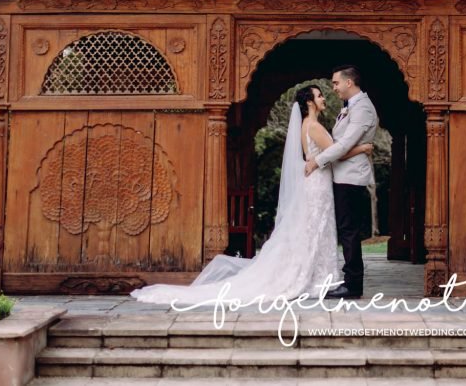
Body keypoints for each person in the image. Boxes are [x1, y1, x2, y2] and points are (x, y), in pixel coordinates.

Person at [131, 85, 372, 306]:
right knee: (316, 229)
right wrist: (362, 148)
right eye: (319, 95)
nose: (323, 98)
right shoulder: (315, 126)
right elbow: (335, 153)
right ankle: (316, 275)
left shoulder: (305, 126)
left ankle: (316, 274)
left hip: (315, 182)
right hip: (318, 185)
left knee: (313, 230)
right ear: (309, 102)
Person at [304, 65, 378, 299]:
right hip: (342, 174)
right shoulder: (350, 107)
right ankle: (349, 280)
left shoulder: (363, 108)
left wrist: (317, 161)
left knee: (349, 231)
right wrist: (361, 148)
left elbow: (344, 144)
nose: (333, 88)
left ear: (349, 82)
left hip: (351, 176)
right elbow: (343, 142)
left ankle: (353, 284)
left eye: (336, 83)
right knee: (347, 229)